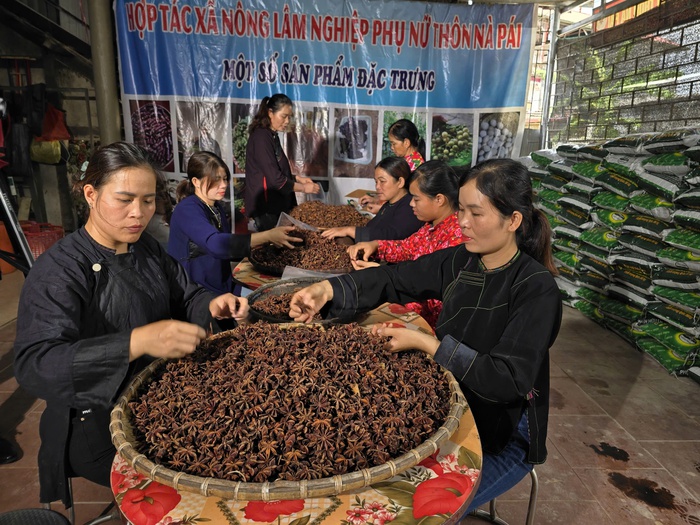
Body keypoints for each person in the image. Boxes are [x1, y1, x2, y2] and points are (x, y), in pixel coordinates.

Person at [289, 158, 562, 514]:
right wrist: (327, 290)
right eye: (461, 210)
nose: (462, 222)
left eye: (476, 214)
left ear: (513, 221)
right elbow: (395, 279)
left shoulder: (536, 289)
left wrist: (428, 344)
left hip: (504, 433)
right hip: (453, 403)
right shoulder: (461, 260)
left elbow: (506, 379)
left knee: (416, 511)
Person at [12, 142, 249, 506]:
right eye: (124, 199)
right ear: (91, 194)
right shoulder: (60, 270)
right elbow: (36, 364)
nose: (138, 213)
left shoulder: (146, 249)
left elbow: (186, 297)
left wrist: (213, 304)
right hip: (97, 420)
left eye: (148, 200)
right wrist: (135, 342)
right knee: (209, 480)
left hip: (159, 394)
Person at [347, 160, 464, 327]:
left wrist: (388, 276)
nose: (411, 204)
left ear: (439, 199)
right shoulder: (430, 226)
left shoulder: (456, 239)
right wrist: (376, 246)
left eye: (416, 199)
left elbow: (434, 297)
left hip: (427, 325)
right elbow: (408, 247)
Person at [168, 151, 302, 295]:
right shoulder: (187, 209)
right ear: (196, 182)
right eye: (216, 180)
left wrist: (266, 245)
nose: (223, 185)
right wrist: (267, 236)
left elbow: (228, 249)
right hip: (196, 294)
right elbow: (216, 244)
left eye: (225, 179)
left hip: (223, 285)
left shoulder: (216, 207)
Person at [244, 94, 320, 232]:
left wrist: (298, 179)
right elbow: (275, 179)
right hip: (266, 209)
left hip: (275, 207)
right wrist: (304, 188)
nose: (287, 121)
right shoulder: (262, 138)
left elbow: (277, 169)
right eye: (284, 116)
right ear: (270, 113)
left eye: (289, 117)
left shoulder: (272, 136)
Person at [320, 157, 423, 242]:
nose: (377, 186)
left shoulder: (410, 206)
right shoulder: (390, 204)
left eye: (382, 181)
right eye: (376, 182)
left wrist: (350, 230)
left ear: (400, 182)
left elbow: (392, 234)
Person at [361, 119, 425, 214]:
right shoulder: (410, 160)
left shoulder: (413, 166)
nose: (391, 147)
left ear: (406, 142)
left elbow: (407, 201)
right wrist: (377, 200)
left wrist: (382, 209)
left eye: (394, 143)